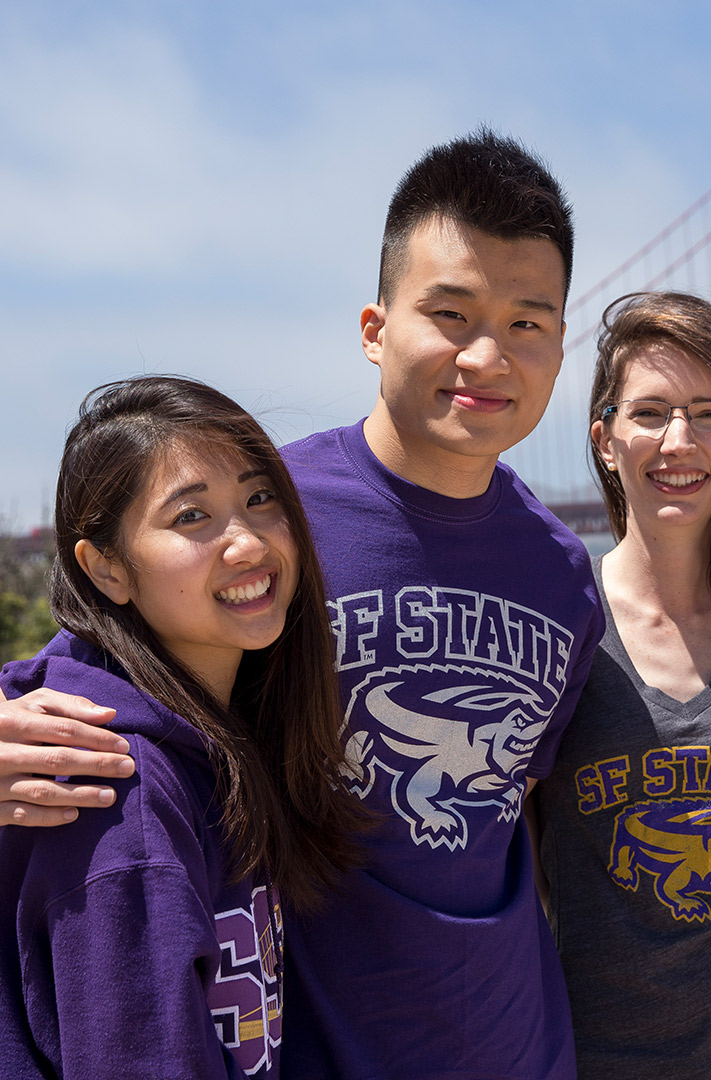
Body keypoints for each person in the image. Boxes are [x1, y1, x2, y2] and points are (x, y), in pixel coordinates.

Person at [0, 131, 604, 1079]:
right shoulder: (266, 519)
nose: (488, 354)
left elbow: (513, 809)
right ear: (374, 328)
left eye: (529, 322)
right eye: (450, 312)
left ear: (562, 347)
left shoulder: (566, 576)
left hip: (519, 1044)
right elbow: (99, 679)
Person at [0, 376, 359, 1078]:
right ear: (106, 570)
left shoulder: (222, 739)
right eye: (192, 518)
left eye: (261, 499)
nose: (248, 542)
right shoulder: (113, 786)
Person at [531, 292, 711, 1078]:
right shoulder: (557, 630)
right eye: (651, 412)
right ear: (604, 438)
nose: (678, 441)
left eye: (707, 414)